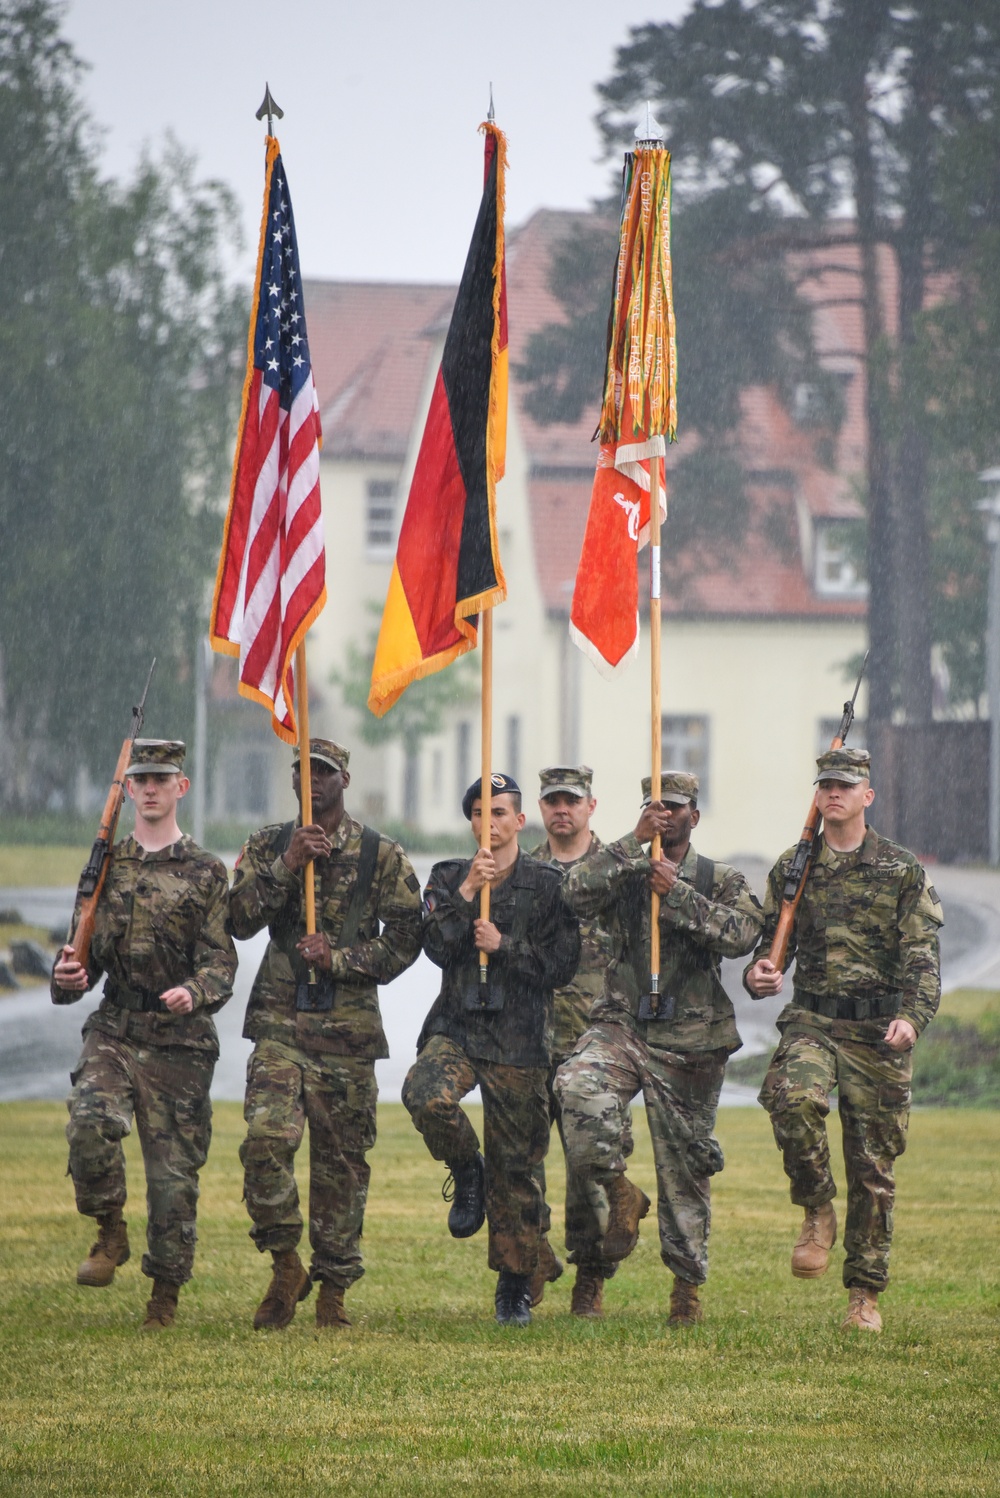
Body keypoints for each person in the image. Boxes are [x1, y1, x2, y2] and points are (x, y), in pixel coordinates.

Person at [745, 746, 943, 1333]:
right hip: (813, 1020)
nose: (834, 793)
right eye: (826, 784)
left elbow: (922, 956)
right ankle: (815, 1208)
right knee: (792, 1097)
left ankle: (864, 1295)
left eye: (845, 785)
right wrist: (761, 973)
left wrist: (913, 1016)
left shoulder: (900, 869)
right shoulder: (795, 866)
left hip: (878, 1032)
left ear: (866, 796)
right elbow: (769, 947)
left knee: (873, 1167)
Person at [229, 737, 422, 1331]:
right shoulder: (266, 845)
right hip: (280, 1024)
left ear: (344, 780)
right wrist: (288, 864)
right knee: (265, 1140)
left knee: (341, 1167)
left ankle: (334, 1289)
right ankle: (286, 1261)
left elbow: (409, 938)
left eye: (325, 772)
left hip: (347, 1033)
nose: (313, 781)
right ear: (291, 782)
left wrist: (339, 958)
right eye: (303, 772)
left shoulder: (379, 854)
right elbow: (236, 920)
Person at [555, 771, 763, 1323]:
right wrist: (628, 844)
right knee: (577, 1093)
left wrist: (679, 897)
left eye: (675, 807)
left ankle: (686, 1291)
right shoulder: (624, 870)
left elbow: (744, 934)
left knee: (685, 1166)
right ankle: (611, 1217)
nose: (665, 816)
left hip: (691, 1038)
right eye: (655, 807)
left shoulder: (718, 877)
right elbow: (571, 892)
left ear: (694, 815)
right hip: (622, 1024)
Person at [52, 739, 236, 1331]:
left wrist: (197, 991)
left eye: (162, 779)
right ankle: (109, 1229)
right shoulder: (106, 865)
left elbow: (221, 964)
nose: (151, 788)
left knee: (172, 1178)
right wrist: (66, 975)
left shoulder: (206, 871)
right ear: (127, 790)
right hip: (116, 1026)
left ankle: (164, 1296)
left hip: (179, 1040)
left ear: (181, 788)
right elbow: (79, 964)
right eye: (141, 779)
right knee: (88, 1123)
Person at [402, 773, 581, 1326]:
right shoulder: (448, 877)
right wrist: (461, 898)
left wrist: (505, 947)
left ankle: (512, 1287)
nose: (491, 822)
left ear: (519, 821)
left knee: (518, 1168)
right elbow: (431, 946)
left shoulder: (546, 885)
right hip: (457, 1028)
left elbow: (561, 967)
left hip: (520, 1038)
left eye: (501, 812)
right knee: (425, 1096)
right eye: (480, 812)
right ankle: (465, 1167)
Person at [527, 765, 615, 1310]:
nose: (562, 809)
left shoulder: (616, 869)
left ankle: (591, 1274)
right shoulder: (523, 868)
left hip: (593, 1037)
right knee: (522, 1159)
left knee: (589, 1166)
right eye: (552, 800)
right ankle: (529, 1258)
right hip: (529, 1035)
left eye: (571, 800)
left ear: (590, 806)